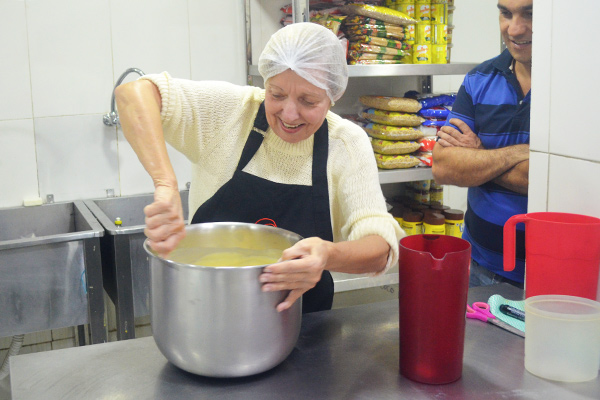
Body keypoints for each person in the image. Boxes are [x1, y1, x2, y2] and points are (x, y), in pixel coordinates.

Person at [115, 22, 404, 314]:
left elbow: (380, 248)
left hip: (302, 327)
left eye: (308, 101)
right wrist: (165, 184)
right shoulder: (229, 113)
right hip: (206, 313)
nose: (289, 114)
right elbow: (132, 95)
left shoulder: (347, 144)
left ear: (333, 96)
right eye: (276, 95)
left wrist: (327, 255)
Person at [432, 0, 532, 287]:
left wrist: (478, 156)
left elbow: (544, 177)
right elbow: (443, 166)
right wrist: (520, 153)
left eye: (529, 13)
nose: (514, 28)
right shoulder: (479, 78)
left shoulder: (576, 86)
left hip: (547, 272)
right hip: (478, 265)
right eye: (506, 13)